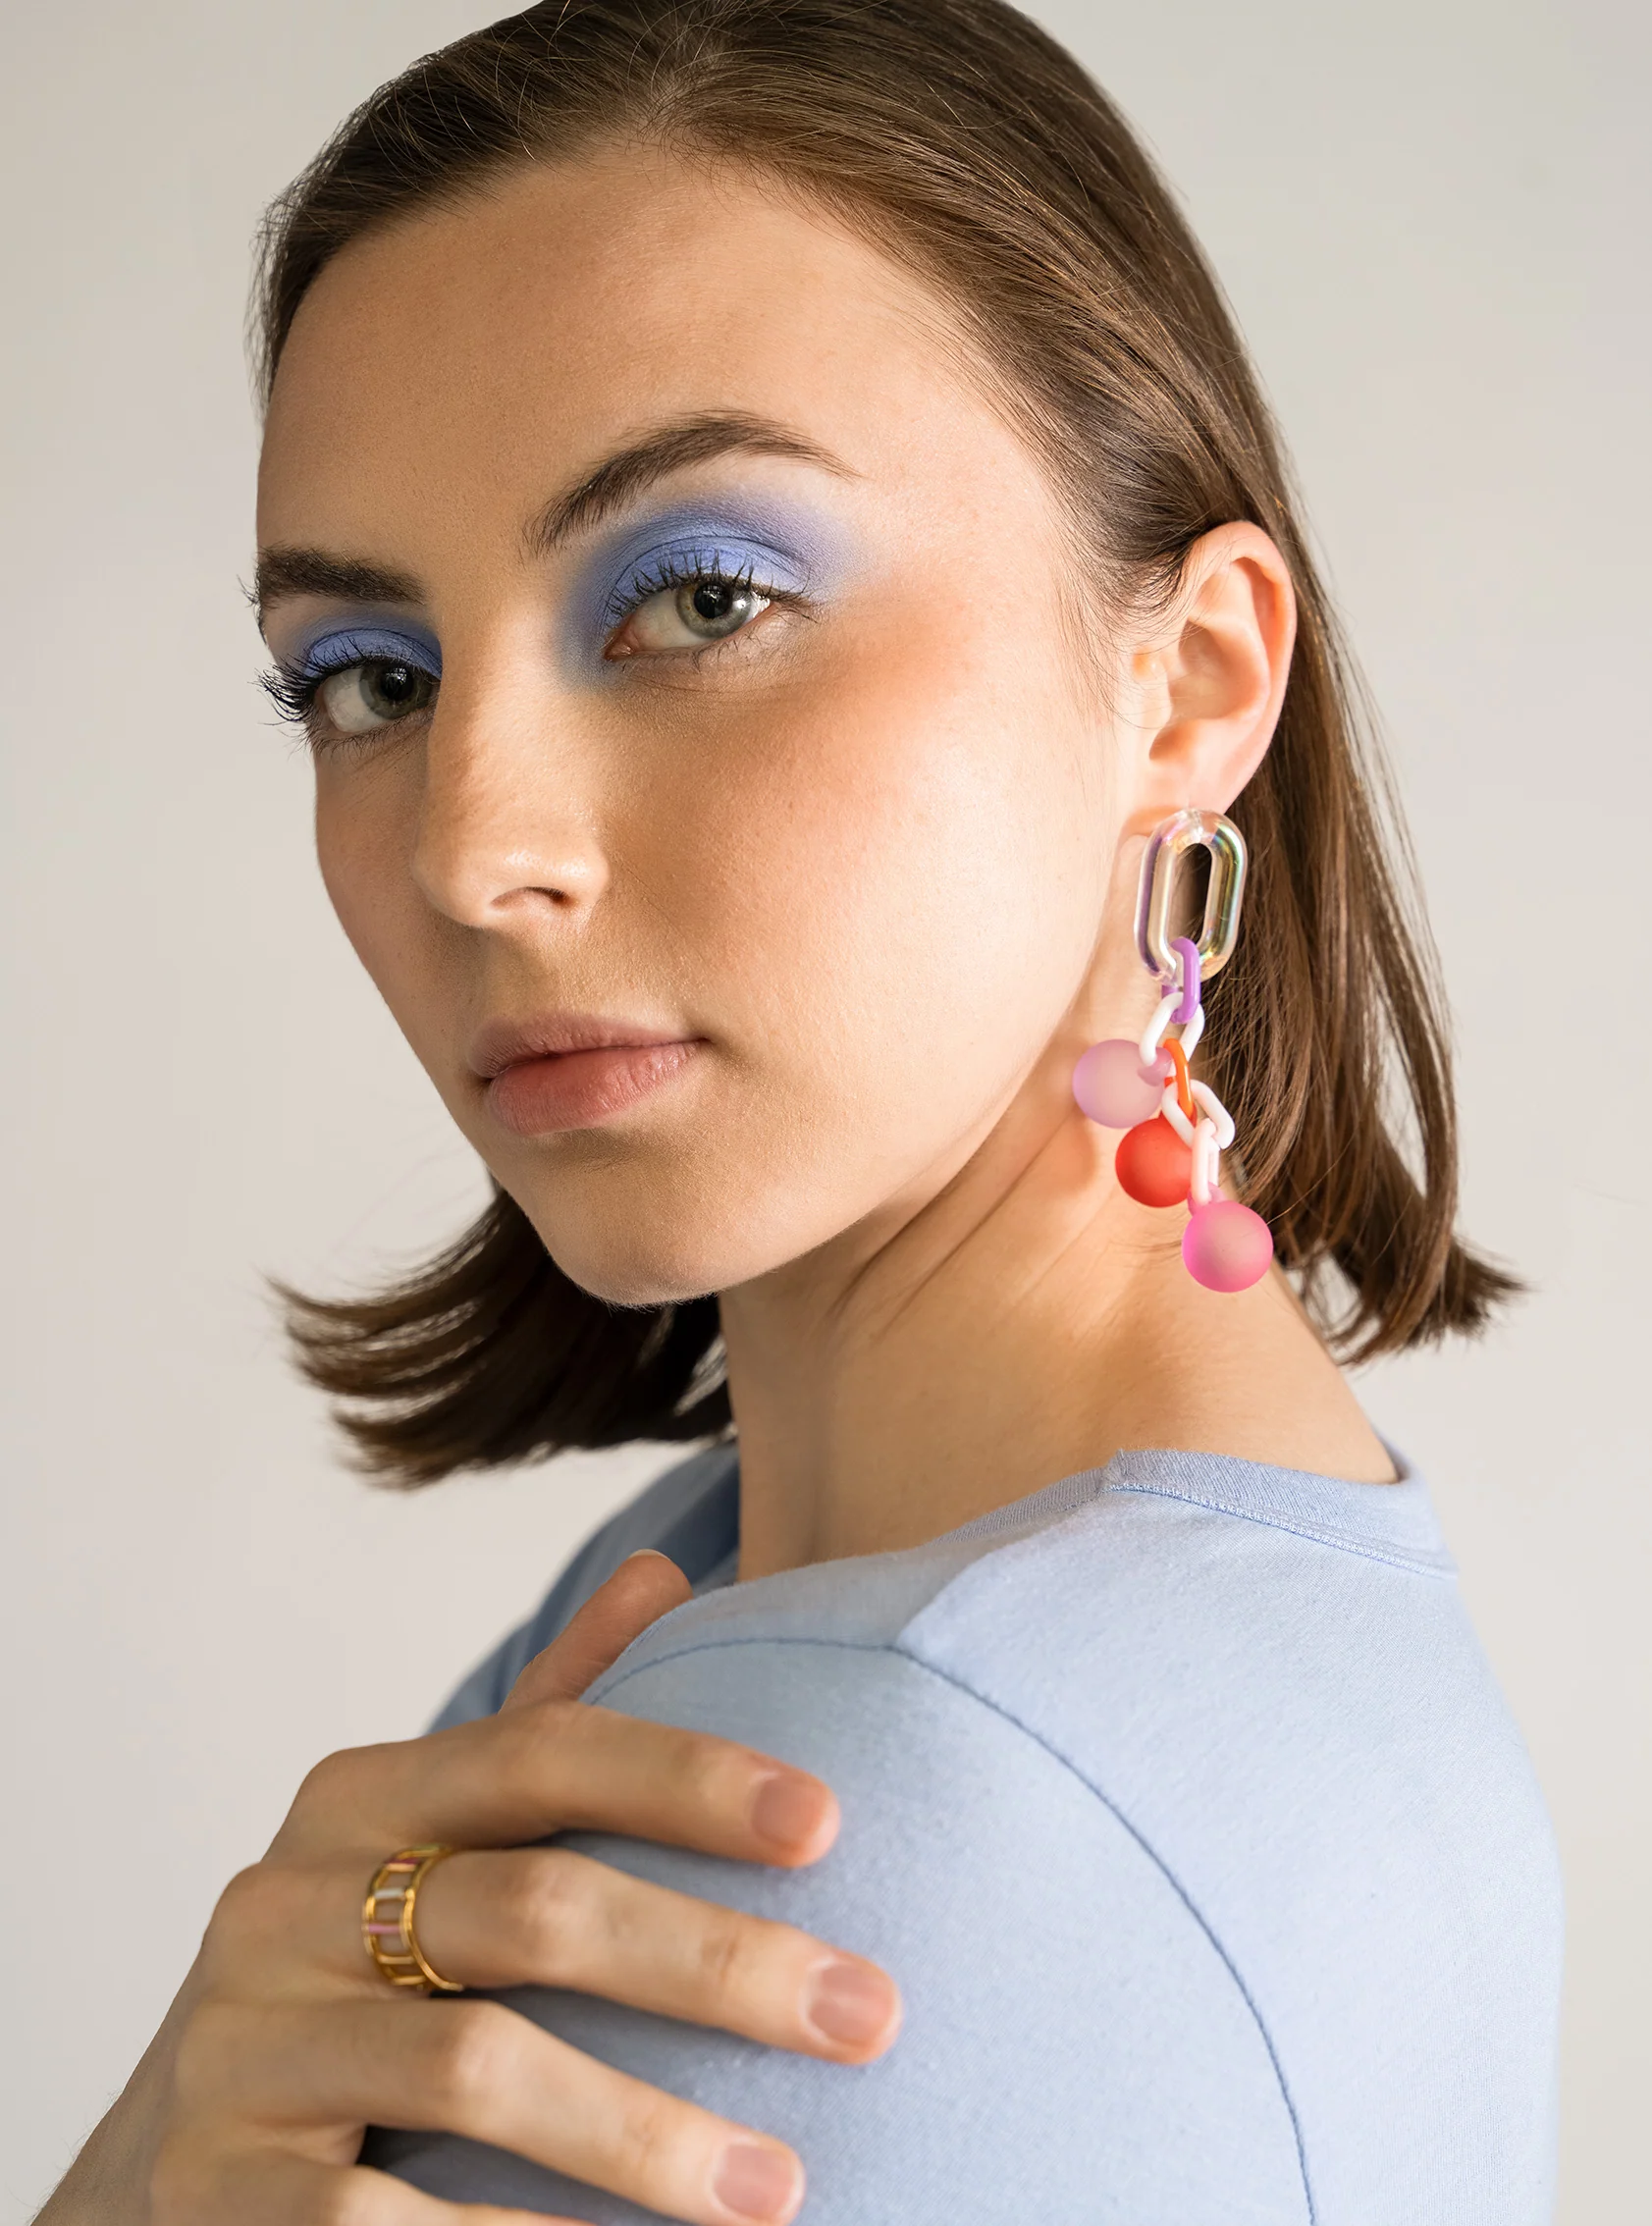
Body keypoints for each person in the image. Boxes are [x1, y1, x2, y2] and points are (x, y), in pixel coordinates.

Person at [40, 2, 1563, 2221]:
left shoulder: (901, 1793)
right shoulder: (752, 1572)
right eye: (371, 677)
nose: (472, 848)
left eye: (700, 599)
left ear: (1188, 681)